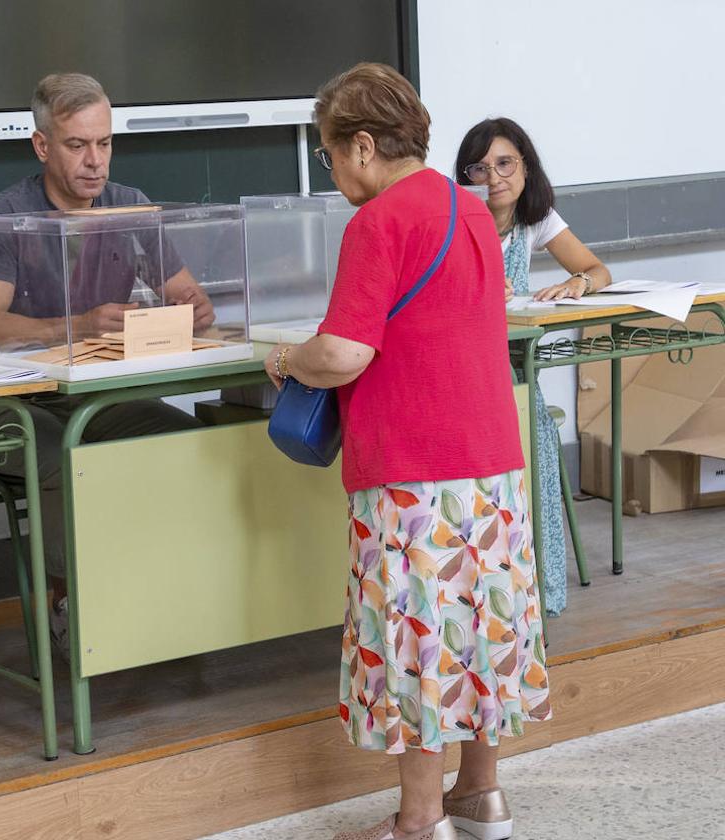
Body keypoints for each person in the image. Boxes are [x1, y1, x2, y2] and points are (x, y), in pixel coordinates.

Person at [264, 64, 550, 840]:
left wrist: (289, 359)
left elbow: (347, 353)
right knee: (479, 626)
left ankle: (419, 822)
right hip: (490, 459)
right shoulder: (471, 210)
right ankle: (480, 797)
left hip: (413, 471)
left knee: (417, 640)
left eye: (330, 155)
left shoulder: (379, 222)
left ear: (362, 146)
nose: (334, 172)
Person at [0, 73, 211, 651]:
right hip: (2, 404)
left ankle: (163, 590)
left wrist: (193, 311)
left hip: (93, 397)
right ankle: (68, 601)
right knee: (63, 454)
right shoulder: (4, 214)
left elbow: (193, 299)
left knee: (189, 441)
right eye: (77, 145)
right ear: (42, 146)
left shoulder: (131, 207)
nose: (95, 161)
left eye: (104, 143)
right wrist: (82, 325)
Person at [456, 117, 612, 616]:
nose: (494, 177)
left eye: (505, 164)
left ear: (525, 168)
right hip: (465, 374)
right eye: (480, 168)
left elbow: (597, 270)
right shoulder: (453, 222)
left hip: (518, 372)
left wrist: (578, 285)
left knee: (539, 446)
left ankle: (537, 593)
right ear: (465, 176)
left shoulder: (535, 222)